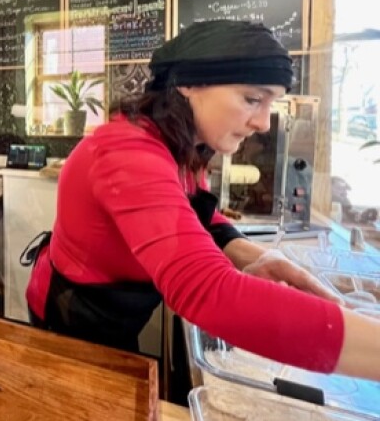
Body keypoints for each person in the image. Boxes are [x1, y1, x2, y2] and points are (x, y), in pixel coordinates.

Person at [25, 20, 380, 386]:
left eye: (271, 103)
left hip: (117, 309)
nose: (262, 123)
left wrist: (254, 256)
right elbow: (207, 292)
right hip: (74, 315)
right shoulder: (126, 151)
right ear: (189, 84)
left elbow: (198, 213)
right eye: (253, 99)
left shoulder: (183, 144)